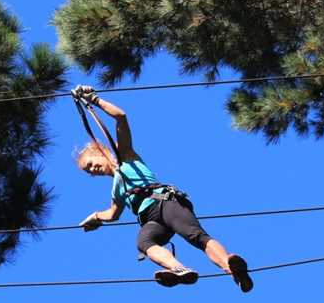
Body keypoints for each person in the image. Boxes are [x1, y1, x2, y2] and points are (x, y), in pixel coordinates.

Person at [73, 85, 253, 292]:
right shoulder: (116, 189)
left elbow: (121, 117)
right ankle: (178, 269)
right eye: (89, 171)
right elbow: (113, 213)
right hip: (151, 219)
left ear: (100, 151)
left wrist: (94, 100)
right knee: (144, 241)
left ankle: (230, 267)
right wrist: (95, 217)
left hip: (166, 203)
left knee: (196, 237)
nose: (93, 170)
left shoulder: (126, 157)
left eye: (91, 164)